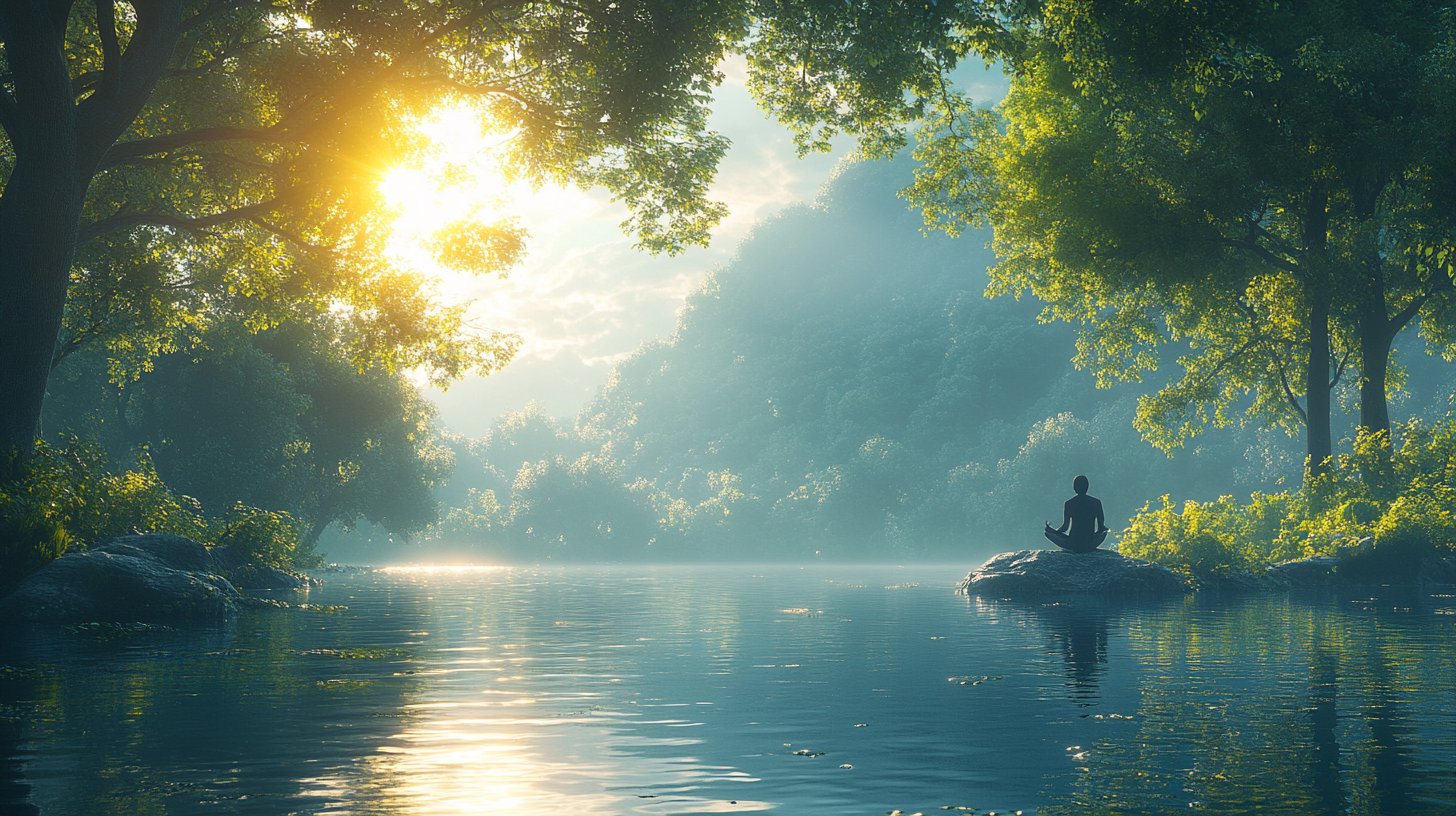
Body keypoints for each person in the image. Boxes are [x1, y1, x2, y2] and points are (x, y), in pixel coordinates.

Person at [1044, 474, 1108, 553]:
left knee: (1047, 533)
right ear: (1087, 487)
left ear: (1074, 488)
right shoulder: (1096, 503)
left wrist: (1054, 531)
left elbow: (1065, 527)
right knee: (1105, 532)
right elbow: (1101, 527)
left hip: (1073, 544)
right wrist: (1104, 531)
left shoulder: (1069, 503)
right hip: (1090, 543)